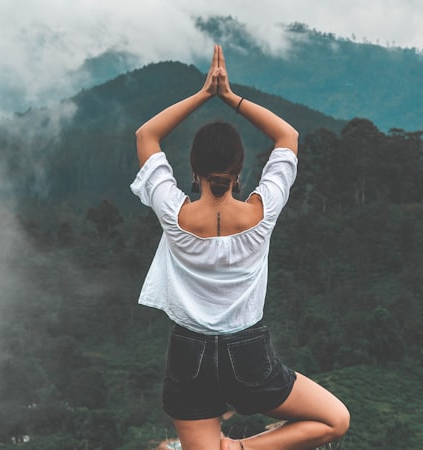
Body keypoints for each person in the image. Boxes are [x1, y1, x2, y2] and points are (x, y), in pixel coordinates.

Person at [131, 45, 350, 450]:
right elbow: (288, 136)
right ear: (240, 170)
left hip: (188, 353)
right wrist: (231, 97)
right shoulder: (261, 213)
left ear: (194, 171)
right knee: (335, 420)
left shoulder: (173, 214)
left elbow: (147, 135)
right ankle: (239, 449)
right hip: (247, 354)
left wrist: (202, 95)